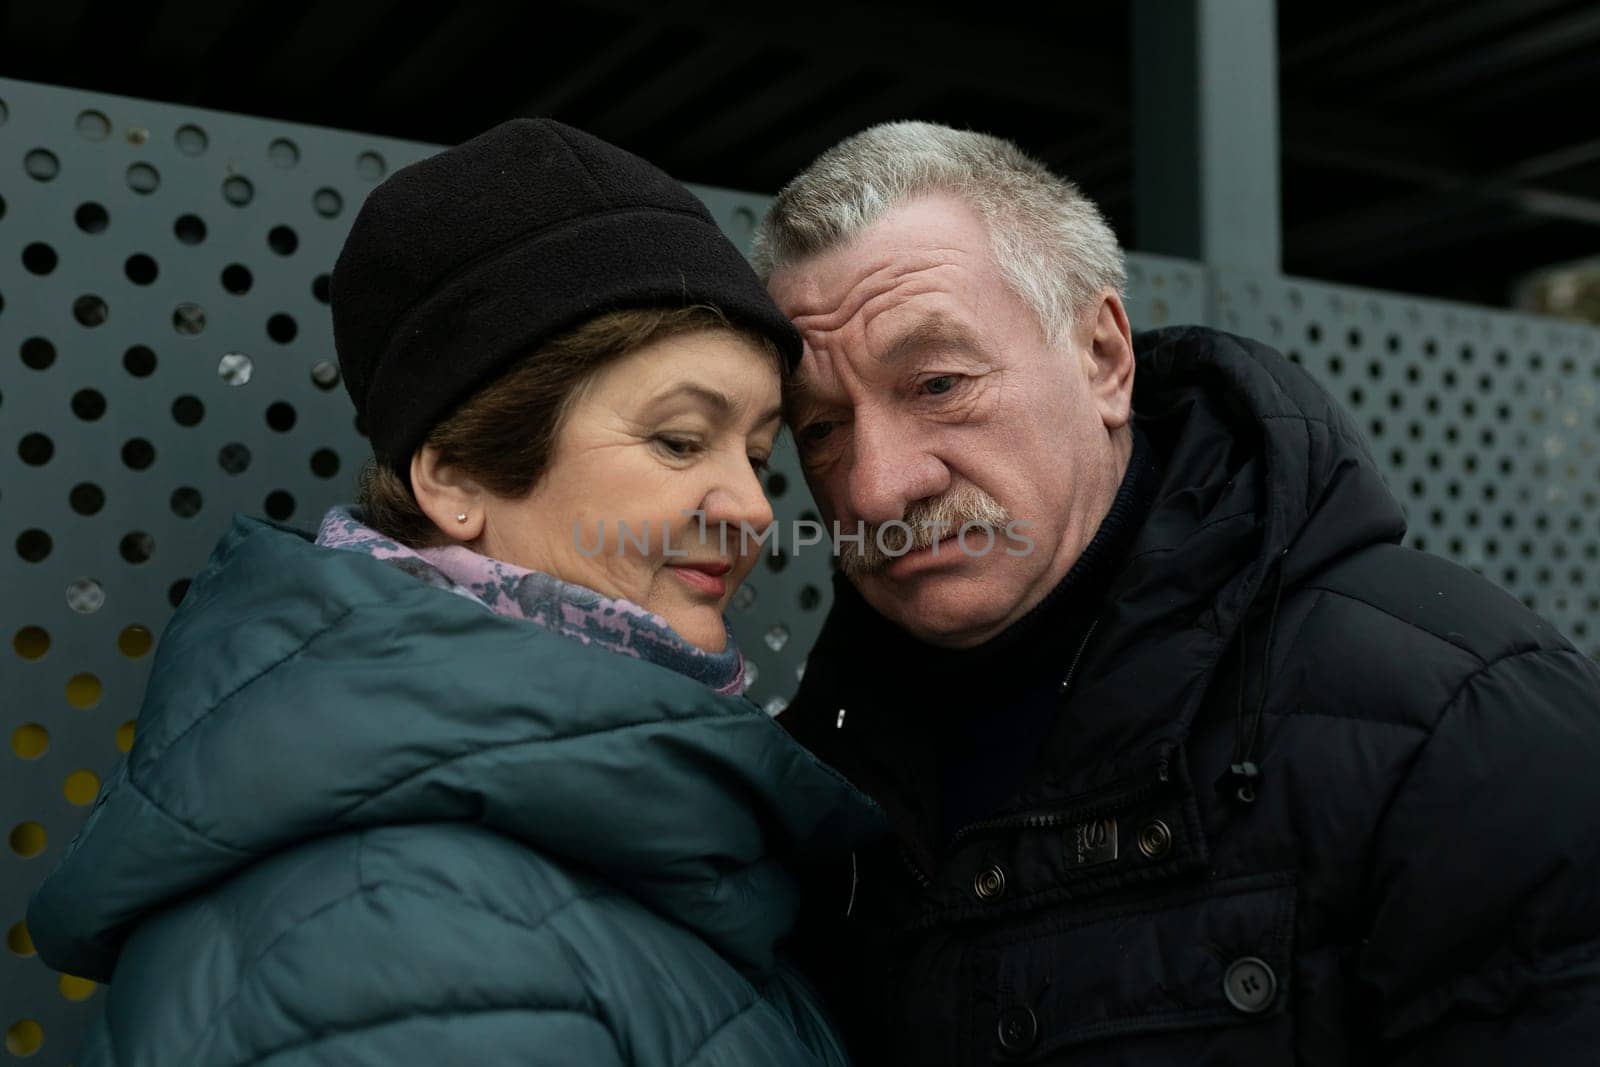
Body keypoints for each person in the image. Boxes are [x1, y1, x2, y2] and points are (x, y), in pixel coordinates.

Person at [27, 118, 881, 1066]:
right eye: (680, 439)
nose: (753, 509)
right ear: (457, 478)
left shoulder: (596, 840)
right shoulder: (391, 929)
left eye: (758, 456)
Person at [753, 121, 1600, 1065]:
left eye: (940, 383)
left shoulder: (1464, 720)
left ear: (1105, 358)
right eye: (821, 430)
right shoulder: (806, 779)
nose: (873, 486)